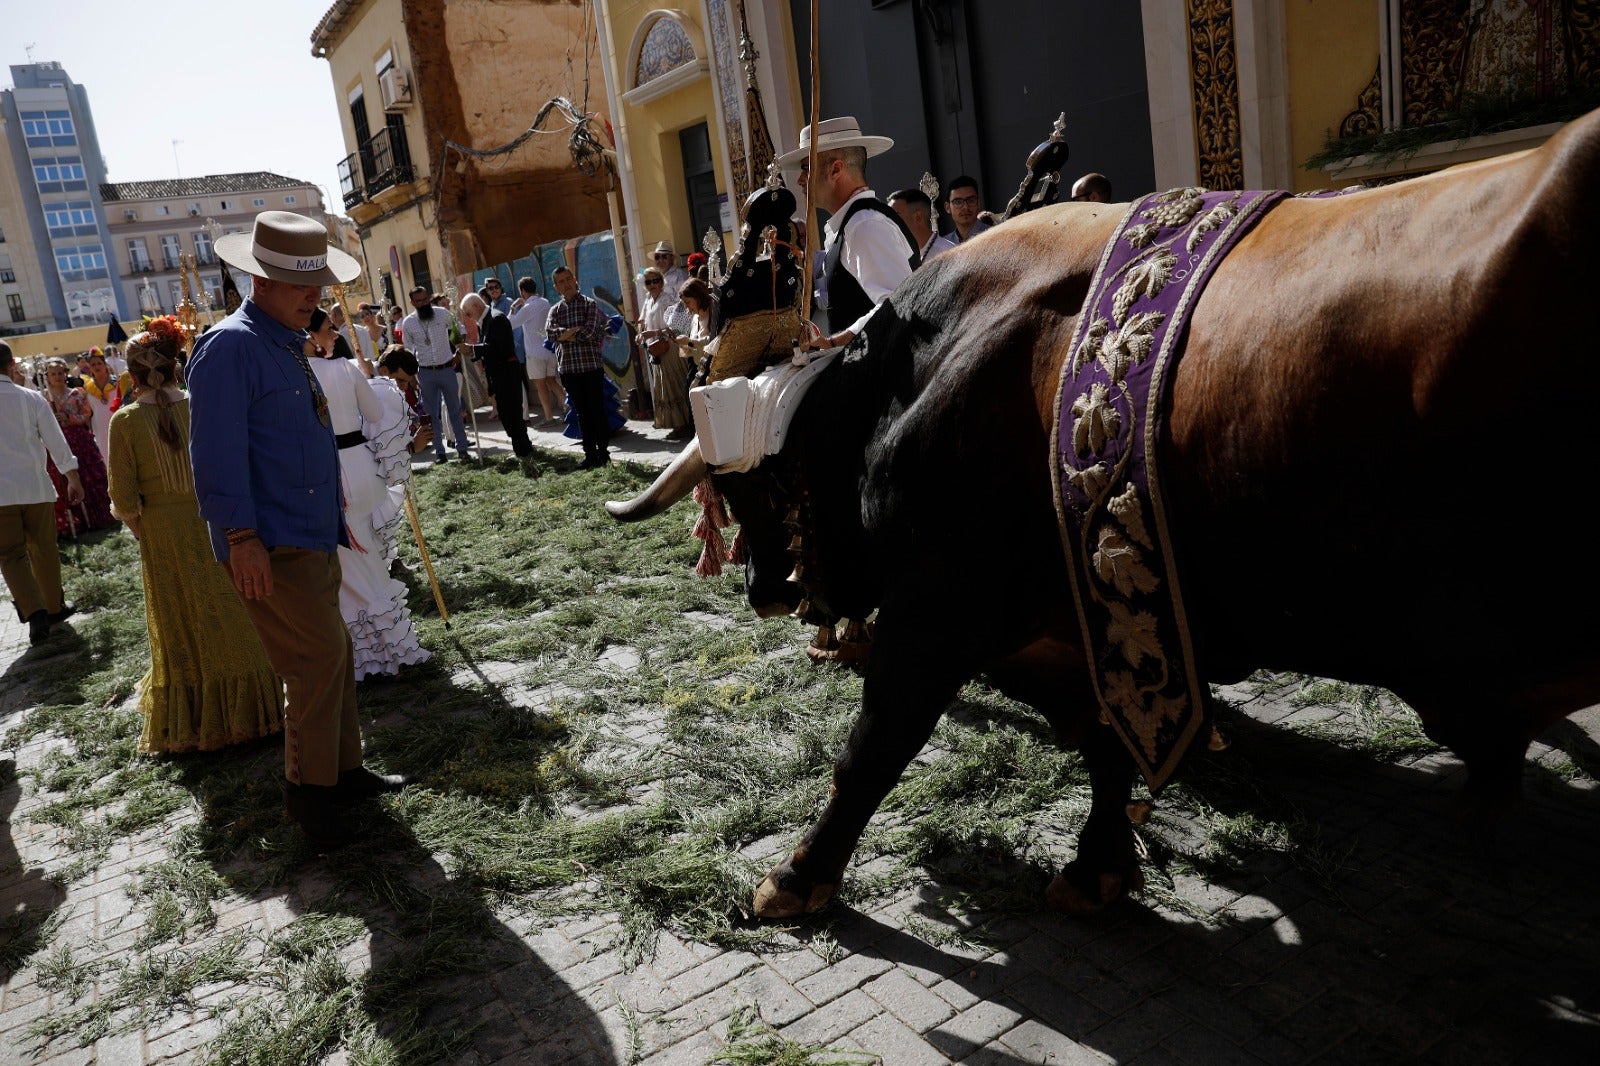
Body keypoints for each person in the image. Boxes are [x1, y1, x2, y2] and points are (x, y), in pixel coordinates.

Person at [187, 210, 410, 849]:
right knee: (312, 662)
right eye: (299, 286)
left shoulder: (282, 342)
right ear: (260, 281)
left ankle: (342, 772)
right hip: (269, 541)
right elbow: (216, 454)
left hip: (310, 533)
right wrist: (239, 538)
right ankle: (312, 800)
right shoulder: (232, 345)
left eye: (316, 286)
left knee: (332, 652)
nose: (314, 300)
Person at [106, 317, 285, 752]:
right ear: (176, 366)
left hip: (163, 533)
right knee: (238, 611)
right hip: (222, 520)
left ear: (132, 375)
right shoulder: (202, 403)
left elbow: (124, 500)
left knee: (183, 623)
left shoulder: (125, 423)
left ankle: (202, 721)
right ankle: (260, 709)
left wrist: (147, 533)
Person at [305, 309, 432, 680]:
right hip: (363, 468)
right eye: (329, 329)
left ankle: (372, 654)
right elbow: (375, 412)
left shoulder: (300, 375)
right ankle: (385, 649)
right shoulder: (345, 368)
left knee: (349, 564)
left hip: (332, 474)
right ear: (313, 335)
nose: (333, 334)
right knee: (367, 558)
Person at [777, 116, 919, 350]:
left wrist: (834, 342)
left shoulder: (865, 226)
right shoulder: (852, 224)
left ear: (835, 169)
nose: (801, 180)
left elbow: (897, 303)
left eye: (806, 169)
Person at [1, 340, 83, 647]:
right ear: (11, 366)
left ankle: (34, 612)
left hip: (0, 494)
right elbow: (55, 440)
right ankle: (52, 608)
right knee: (44, 548)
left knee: (10, 555)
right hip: (35, 486)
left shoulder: (32, 397)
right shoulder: (31, 398)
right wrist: (72, 476)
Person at [38, 357, 116, 537]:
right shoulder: (42, 399)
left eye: (60, 373)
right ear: (47, 377)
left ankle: (99, 518)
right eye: (53, 374)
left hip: (80, 442)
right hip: (57, 443)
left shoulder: (76, 394)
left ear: (66, 373)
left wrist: (69, 419)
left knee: (89, 478)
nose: (57, 377)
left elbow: (86, 414)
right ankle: (74, 522)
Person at [545, 266, 613, 469]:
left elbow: (590, 333)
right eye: (561, 282)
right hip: (568, 370)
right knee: (582, 413)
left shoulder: (589, 305)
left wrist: (564, 335)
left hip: (590, 367)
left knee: (597, 411)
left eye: (568, 279)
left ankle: (604, 454)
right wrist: (572, 332)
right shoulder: (555, 310)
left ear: (574, 280)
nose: (566, 284)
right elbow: (550, 334)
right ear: (556, 287)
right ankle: (590, 455)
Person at [399, 284, 472, 463]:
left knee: (455, 410)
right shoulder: (408, 322)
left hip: (447, 368)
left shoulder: (442, 313)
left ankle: (462, 449)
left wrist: (458, 353)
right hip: (425, 373)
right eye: (419, 301)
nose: (423, 303)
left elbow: (460, 330)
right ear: (412, 302)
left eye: (425, 299)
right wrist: (411, 377)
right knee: (432, 415)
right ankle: (440, 452)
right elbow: (407, 351)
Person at [459, 292, 534, 460]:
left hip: (507, 372)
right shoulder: (484, 321)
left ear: (477, 306)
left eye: (468, 313)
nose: (468, 317)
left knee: (513, 414)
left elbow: (498, 348)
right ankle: (522, 448)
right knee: (506, 414)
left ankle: (524, 451)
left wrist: (473, 349)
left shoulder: (496, 318)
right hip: (497, 373)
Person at [637, 268, 691, 435]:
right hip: (657, 350)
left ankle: (686, 424)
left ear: (661, 282)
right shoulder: (648, 300)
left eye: (655, 281)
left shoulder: (667, 299)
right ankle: (676, 424)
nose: (652, 285)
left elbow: (674, 326)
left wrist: (653, 333)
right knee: (665, 388)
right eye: (648, 282)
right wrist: (641, 329)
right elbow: (643, 319)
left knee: (676, 386)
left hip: (670, 347)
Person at [508, 277, 562, 422]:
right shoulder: (544, 302)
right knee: (552, 381)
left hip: (535, 353)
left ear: (523, 291)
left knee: (540, 385)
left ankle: (549, 417)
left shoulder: (527, 308)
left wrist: (513, 308)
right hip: (550, 350)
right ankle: (569, 409)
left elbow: (510, 324)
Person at [888, 187, 958, 264]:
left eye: (895, 215)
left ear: (918, 217)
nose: (889, 222)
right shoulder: (900, 256)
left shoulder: (948, 254)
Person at [674, 277, 720, 386]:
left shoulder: (714, 313)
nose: (686, 307)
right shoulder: (695, 319)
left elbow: (716, 341)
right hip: (700, 370)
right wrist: (683, 344)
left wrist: (690, 341)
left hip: (715, 372)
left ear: (698, 297)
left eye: (688, 302)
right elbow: (695, 349)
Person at [83, 350, 125, 460]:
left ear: (105, 365)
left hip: (118, 423)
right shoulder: (88, 387)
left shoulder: (117, 382)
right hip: (100, 429)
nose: (97, 366)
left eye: (99, 363)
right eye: (93, 364)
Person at [944, 175, 990, 243]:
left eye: (971, 200)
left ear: (978, 203)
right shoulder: (944, 244)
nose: (965, 207)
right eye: (958, 202)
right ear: (948, 208)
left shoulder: (994, 235)